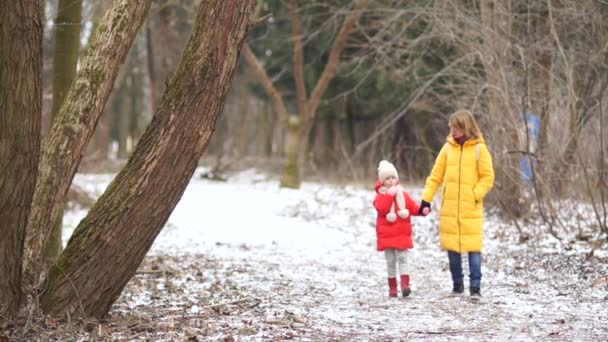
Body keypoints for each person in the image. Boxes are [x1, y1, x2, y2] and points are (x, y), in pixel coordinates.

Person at [418, 110, 494, 298]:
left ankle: (475, 287)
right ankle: (457, 285)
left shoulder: (479, 149)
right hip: (450, 208)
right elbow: (435, 176)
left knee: (473, 248)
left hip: (471, 207)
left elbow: (488, 176)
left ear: (466, 127)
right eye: (451, 127)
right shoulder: (447, 149)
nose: (452, 131)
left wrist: (475, 194)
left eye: (456, 128)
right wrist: (425, 199)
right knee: (452, 247)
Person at [373, 160, 430, 298]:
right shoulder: (380, 196)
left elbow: (411, 207)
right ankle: (392, 288)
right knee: (391, 262)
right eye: (387, 179)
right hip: (387, 236)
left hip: (402, 235)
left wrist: (422, 210)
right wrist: (389, 195)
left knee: (403, 260)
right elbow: (382, 209)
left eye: (393, 178)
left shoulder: (402, 195)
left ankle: (405, 285)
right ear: (382, 181)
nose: (391, 181)